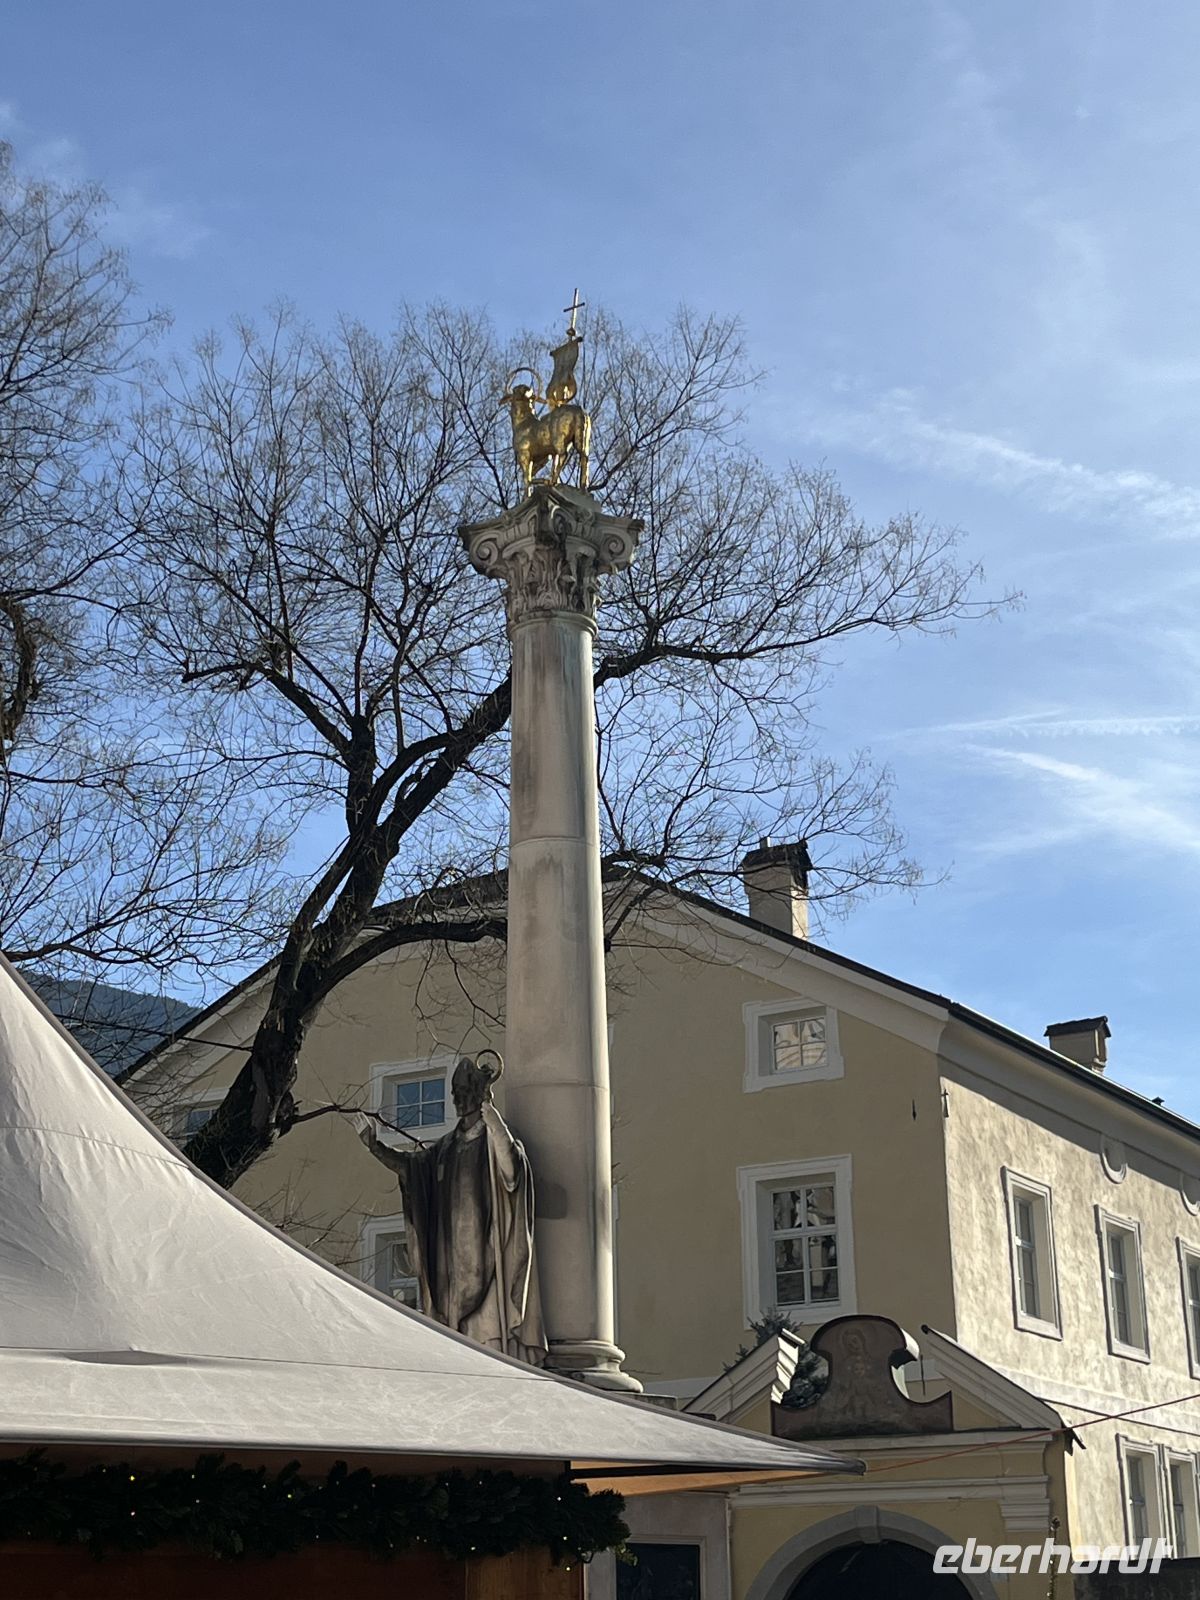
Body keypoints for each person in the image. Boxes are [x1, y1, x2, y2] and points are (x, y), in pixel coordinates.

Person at [355, 1054, 546, 1365]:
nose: (457, 1100)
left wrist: (495, 1125)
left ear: (479, 1094)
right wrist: (376, 1146)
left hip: (487, 1255)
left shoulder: (492, 1140)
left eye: (463, 1093)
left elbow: (513, 1174)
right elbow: (411, 1169)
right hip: (450, 1263)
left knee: (488, 1344)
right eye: (454, 1094)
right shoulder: (445, 1149)